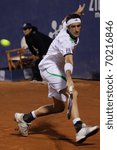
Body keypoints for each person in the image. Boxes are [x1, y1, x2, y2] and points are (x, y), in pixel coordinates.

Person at [15, 4, 99, 144]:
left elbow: (67, 18)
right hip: (49, 67)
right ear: (68, 28)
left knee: (59, 107)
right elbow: (68, 60)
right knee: (73, 93)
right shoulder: (65, 40)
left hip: (55, 68)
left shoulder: (68, 24)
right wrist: (69, 79)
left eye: (79, 26)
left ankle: (25, 118)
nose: (77, 29)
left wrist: (77, 13)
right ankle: (79, 128)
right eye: (73, 27)